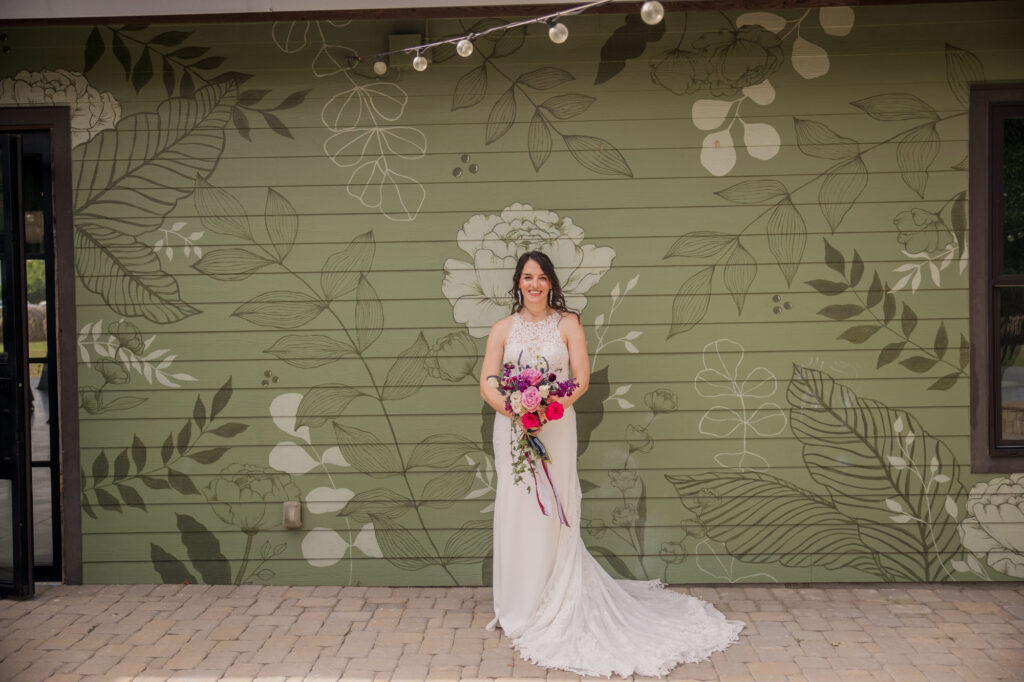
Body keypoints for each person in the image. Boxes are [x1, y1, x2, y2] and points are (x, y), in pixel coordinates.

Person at [479, 250, 744, 678]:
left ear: (551, 283)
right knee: (519, 507)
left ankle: (553, 595)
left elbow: (580, 379)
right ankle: (518, 605)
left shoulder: (568, 324)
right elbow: (488, 379)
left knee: (553, 506)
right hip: (512, 428)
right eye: (527, 277)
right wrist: (513, 407)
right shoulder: (501, 329)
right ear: (517, 282)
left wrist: (548, 407)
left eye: (542, 277)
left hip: (555, 424)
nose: (534, 284)